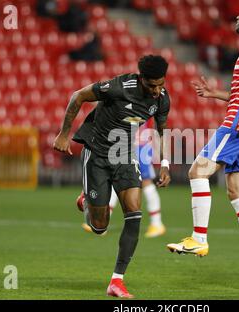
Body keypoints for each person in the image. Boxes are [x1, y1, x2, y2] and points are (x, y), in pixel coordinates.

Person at [167, 3, 239, 286]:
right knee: (236, 191)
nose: (237, 16)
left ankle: (199, 238)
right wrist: (216, 94)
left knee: (197, 172)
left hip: (237, 126)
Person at [53, 55, 171, 298]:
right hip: (97, 155)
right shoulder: (118, 87)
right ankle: (87, 201)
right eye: (151, 86)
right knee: (99, 226)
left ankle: (117, 281)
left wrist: (166, 163)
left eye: (161, 84)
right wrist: (64, 134)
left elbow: (162, 130)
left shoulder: (162, 99)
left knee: (135, 213)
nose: (157, 90)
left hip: (126, 157)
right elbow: (78, 95)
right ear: (141, 80)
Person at [80, 118, 167, 238]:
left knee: (146, 183)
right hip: (126, 145)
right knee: (116, 179)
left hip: (140, 145)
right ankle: (104, 220)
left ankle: (157, 223)